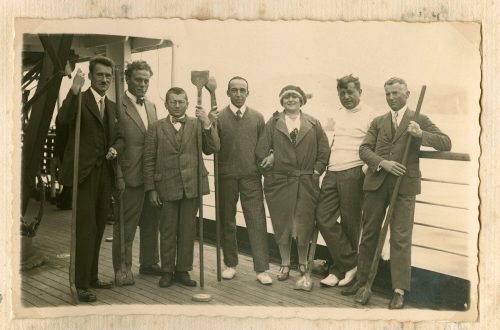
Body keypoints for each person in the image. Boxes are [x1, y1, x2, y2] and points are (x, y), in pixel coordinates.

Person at [341, 77, 452, 309]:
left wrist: (421, 134)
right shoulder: (379, 121)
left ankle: (399, 290)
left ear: (407, 94)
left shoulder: (418, 119)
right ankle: (362, 282)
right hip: (376, 184)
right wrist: (383, 163)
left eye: (396, 93)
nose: (391, 98)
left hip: (404, 187)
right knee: (369, 233)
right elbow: (364, 150)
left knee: (400, 238)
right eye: (388, 94)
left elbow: (445, 142)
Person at [57, 56, 125, 302]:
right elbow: (62, 121)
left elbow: (120, 136)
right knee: (85, 229)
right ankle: (81, 283)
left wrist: (116, 148)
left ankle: (93, 276)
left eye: (108, 76)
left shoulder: (113, 106)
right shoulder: (80, 100)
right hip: (83, 173)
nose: (105, 79)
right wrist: (74, 90)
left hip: (104, 174)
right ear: (91, 76)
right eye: (100, 75)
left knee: (97, 228)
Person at [143, 87, 220, 288]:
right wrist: (151, 188)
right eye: (173, 102)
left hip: (191, 185)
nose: (177, 105)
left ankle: (182, 270)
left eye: (181, 102)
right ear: (166, 104)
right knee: (167, 229)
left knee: (188, 230)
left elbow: (213, 148)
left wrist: (207, 124)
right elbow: (149, 159)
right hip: (165, 186)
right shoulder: (156, 127)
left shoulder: (197, 125)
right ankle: (167, 270)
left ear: (187, 103)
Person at [256, 85, 330, 288]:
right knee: (282, 224)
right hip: (279, 182)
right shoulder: (273, 123)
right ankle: (285, 263)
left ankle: (304, 263)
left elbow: (324, 150)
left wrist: (316, 171)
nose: (290, 100)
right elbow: (261, 150)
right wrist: (270, 163)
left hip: (306, 182)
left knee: (304, 223)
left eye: (294, 97)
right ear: (282, 101)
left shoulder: (313, 124)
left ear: (301, 101)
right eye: (286, 97)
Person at [316, 75, 376, 288]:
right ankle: (351, 263)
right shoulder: (338, 114)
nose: (346, 96)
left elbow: (374, 146)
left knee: (351, 224)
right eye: (342, 93)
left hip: (354, 171)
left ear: (360, 92)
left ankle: (337, 270)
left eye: (350, 92)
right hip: (332, 171)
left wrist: (365, 169)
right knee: (323, 217)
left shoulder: (371, 116)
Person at [215, 76, 272, 285]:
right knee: (227, 221)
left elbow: (264, 147)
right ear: (227, 92)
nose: (238, 94)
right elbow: (211, 146)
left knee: (257, 221)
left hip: (251, 177)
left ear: (248, 93)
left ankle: (262, 269)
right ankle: (230, 264)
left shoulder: (257, 117)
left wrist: (269, 158)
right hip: (226, 176)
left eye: (242, 90)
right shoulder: (219, 117)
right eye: (234, 90)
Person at [111, 61, 161, 284]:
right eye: (138, 80)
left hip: (151, 177)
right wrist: (118, 176)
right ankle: (122, 269)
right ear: (128, 80)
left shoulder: (152, 106)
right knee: (126, 226)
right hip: (128, 176)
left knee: (152, 222)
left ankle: (149, 263)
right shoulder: (116, 107)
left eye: (146, 80)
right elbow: (114, 143)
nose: (143, 84)